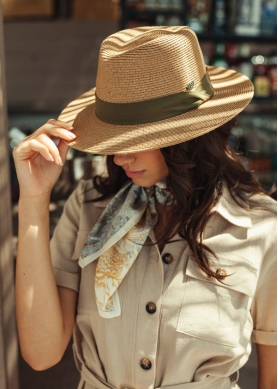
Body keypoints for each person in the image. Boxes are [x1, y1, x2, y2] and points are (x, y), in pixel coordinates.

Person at [13, 26, 276, 389]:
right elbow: (42, 354)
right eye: (114, 139)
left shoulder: (260, 226)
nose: (119, 156)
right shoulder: (88, 208)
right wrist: (33, 199)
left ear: (189, 136)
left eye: (138, 139)